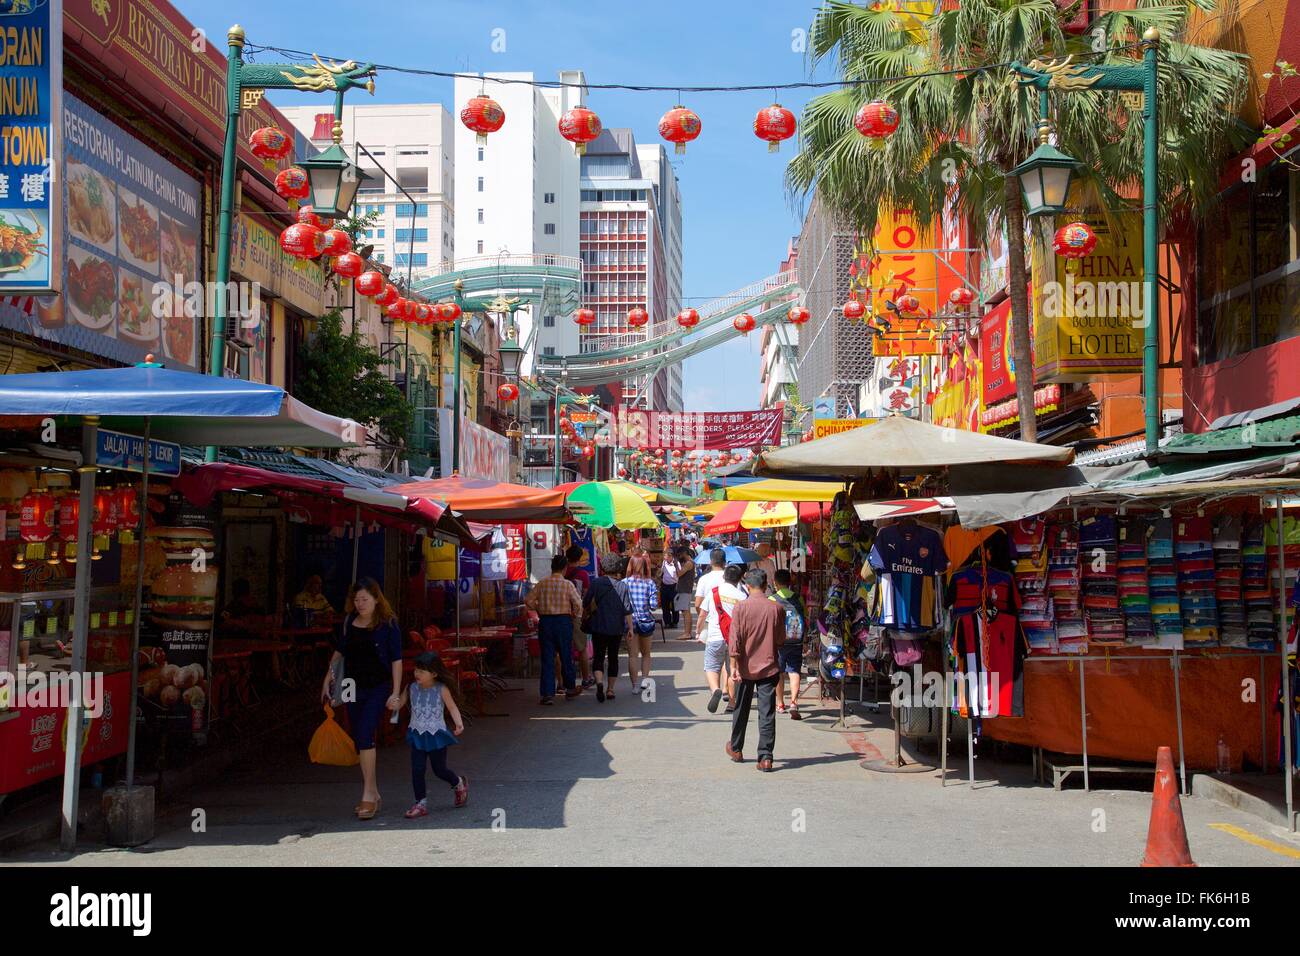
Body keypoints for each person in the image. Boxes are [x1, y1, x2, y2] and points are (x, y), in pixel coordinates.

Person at [320, 578, 404, 819]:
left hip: (378, 686)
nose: (360, 604)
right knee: (359, 737)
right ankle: (373, 791)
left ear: (377, 599)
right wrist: (329, 676)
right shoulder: (349, 622)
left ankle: (368, 793)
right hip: (351, 687)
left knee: (366, 732)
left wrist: (396, 692)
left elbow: (396, 660)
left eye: (365, 599)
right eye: (356, 600)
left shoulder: (388, 624)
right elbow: (340, 652)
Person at [726, 568, 786, 771]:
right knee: (767, 712)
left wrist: (733, 665)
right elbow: (780, 639)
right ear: (765, 585)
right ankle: (766, 757)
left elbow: (734, 639)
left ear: (747, 586)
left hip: (745, 667)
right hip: (769, 666)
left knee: (741, 708)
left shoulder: (740, 608)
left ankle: (736, 748)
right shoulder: (776, 608)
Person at [400, 651, 468, 817]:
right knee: (417, 769)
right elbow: (399, 703)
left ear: (434, 674)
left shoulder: (441, 689)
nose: (417, 674)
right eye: (416, 670)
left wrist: (459, 723)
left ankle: (458, 782)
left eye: (421, 671)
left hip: (436, 734)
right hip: (417, 733)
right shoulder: (411, 688)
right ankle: (420, 802)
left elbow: (452, 707)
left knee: (439, 769)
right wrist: (392, 702)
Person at [525, 554, 585, 705]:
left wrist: (538, 608)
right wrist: (574, 615)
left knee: (547, 658)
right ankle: (570, 688)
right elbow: (578, 604)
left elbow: (528, 601)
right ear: (565, 568)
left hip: (546, 622)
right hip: (563, 622)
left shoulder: (542, 583)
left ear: (551, 568)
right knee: (566, 656)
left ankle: (547, 694)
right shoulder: (567, 584)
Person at [586, 553, 633, 703]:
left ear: (603, 567)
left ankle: (599, 682)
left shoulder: (596, 583)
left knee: (599, 656)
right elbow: (627, 610)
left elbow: (585, 602)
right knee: (613, 658)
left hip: (598, 626)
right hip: (616, 628)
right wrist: (630, 628)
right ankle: (610, 689)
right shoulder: (623, 586)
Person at [703, 564, 747, 714]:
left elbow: (703, 613)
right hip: (734, 639)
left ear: (724, 577)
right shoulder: (742, 597)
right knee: (731, 670)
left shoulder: (714, 592)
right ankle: (732, 703)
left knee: (711, 667)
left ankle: (716, 689)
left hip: (715, 636)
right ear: (740, 579)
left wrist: (697, 631)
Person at [772, 568, 807, 720]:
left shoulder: (772, 599)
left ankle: (780, 704)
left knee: (779, 672)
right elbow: (805, 617)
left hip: (778, 642)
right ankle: (793, 702)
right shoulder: (798, 598)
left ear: (775, 583)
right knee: (794, 671)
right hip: (796, 640)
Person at [623, 553, 659, 690]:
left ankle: (634, 685)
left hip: (629, 622)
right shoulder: (650, 583)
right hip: (646, 621)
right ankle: (644, 680)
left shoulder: (624, 583)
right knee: (646, 653)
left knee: (632, 655)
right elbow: (654, 605)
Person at [565, 544, 595, 688]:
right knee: (582, 648)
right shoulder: (583, 574)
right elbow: (587, 595)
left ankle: (562, 681)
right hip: (578, 614)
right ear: (580, 558)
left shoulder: (562, 573)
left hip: (562, 613)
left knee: (564, 649)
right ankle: (585, 678)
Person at [674, 547, 697, 641]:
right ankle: (687, 632)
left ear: (684, 553)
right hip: (685, 589)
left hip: (685, 589)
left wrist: (676, 565)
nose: (679, 557)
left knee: (685, 611)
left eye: (680, 555)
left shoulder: (689, 563)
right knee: (685, 611)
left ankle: (687, 633)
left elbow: (679, 574)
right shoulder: (688, 563)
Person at [659, 548, 680, 630]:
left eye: (666, 556)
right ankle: (667, 622)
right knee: (665, 606)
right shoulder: (664, 563)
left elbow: (679, 574)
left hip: (674, 586)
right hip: (665, 586)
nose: (664, 557)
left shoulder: (676, 563)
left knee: (675, 606)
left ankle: (675, 622)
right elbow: (661, 573)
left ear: (671, 556)